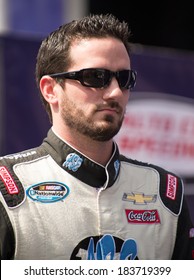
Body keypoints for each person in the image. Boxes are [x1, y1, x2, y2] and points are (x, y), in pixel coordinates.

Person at [0, 13, 193, 260]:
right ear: (50, 90)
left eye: (124, 79)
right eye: (95, 77)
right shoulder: (8, 189)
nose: (115, 92)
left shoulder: (166, 195)